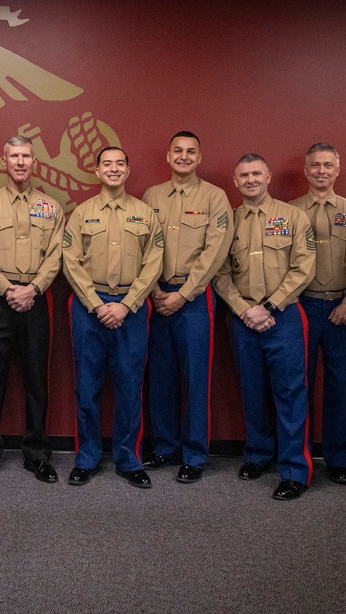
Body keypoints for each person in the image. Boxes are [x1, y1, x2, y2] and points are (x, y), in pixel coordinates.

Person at [213, 153, 315, 501]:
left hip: (283, 317)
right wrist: (244, 310)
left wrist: (270, 306)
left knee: (290, 394)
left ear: (269, 176)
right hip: (243, 319)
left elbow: (303, 269)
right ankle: (258, 454)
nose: (251, 179)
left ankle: (294, 470)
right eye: (244, 175)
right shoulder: (228, 221)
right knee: (252, 391)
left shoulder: (294, 217)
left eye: (257, 173)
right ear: (235, 181)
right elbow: (220, 273)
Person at [61, 146, 163, 488]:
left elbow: (154, 263)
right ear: (97, 171)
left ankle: (128, 458)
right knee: (87, 387)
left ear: (128, 170)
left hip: (130, 308)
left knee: (130, 387)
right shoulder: (81, 214)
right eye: (107, 164)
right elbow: (70, 261)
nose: (114, 169)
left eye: (120, 163)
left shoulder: (146, 214)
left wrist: (126, 304)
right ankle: (86, 457)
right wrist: (96, 304)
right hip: (90, 308)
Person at [0, 135, 64, 485]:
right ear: (4, 162)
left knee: (37, 377)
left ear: (35, 163)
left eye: (26, 156)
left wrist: (33, 289)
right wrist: (9, 289)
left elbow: (56, 255)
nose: (20, 162)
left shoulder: (51, 208)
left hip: (37, 298)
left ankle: (37, 454)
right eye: (14, 156)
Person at [141, 131, 232, 483]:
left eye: (190, 151)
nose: (183, 156)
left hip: (194, 300)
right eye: (177, 151)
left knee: (195, 379)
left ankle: (194, 454)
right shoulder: (152, 196)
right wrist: (153, 291)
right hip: (157, 295)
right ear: (168, 156)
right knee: (160, 376)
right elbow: (144, 244)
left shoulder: (214, 197)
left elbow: (216, 251)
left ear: (199, 157)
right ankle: (165, 447)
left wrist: (184, 294)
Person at [288, 143, 346, 485]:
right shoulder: (287, 212)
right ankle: (294, 454)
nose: (321, 170)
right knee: (296, 385)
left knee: (342, 386)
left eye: (327, 165)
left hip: (342, 310)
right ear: (306, 171)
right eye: (315, 165)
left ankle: (339, 458)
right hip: (300, 308)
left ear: (337, 169)